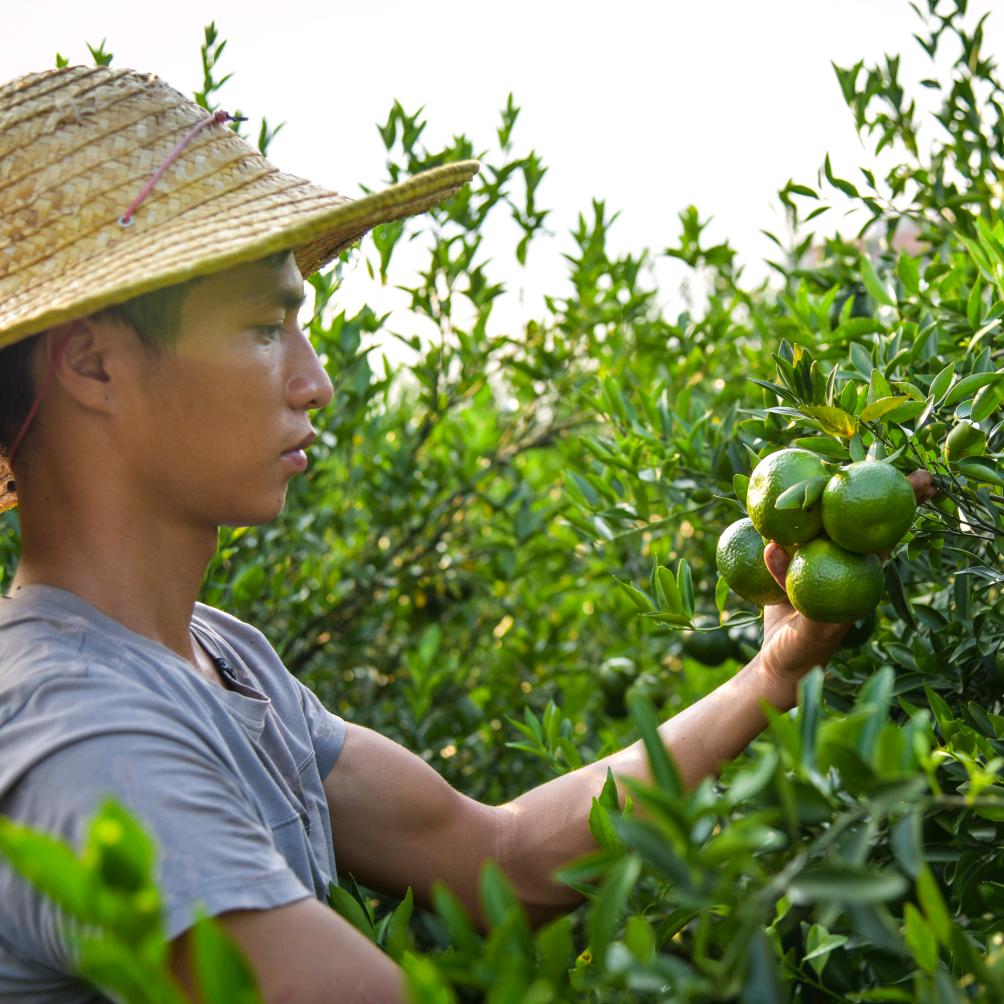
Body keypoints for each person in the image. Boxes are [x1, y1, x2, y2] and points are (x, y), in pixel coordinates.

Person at [0, 65, 936, 1004]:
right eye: (261, 326)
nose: (314, 381)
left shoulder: (221, 661)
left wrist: (772, 673)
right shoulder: (83, 734)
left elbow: (495, 857)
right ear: (92, 362)